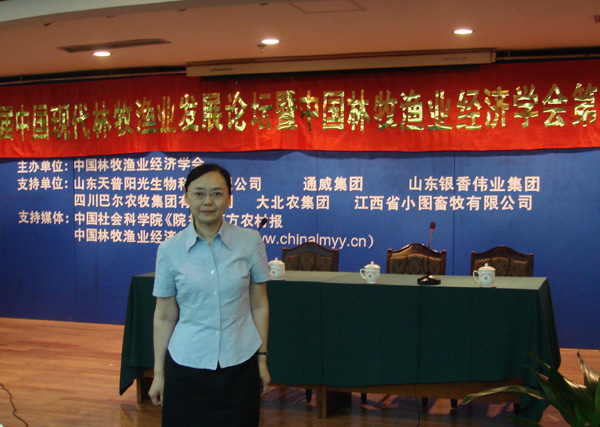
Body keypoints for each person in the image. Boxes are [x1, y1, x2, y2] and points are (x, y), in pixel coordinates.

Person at [148, 163, 270, 426]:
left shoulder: (250, 242)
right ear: (186, 197)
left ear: (229, 198)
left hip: (240, 364)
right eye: (199, 193)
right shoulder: (169, 249)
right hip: (186, 366)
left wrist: (262, 360)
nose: (208, 202)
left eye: (217, 193)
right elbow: (164, 316)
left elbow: (259, 305)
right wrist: (159, 374)